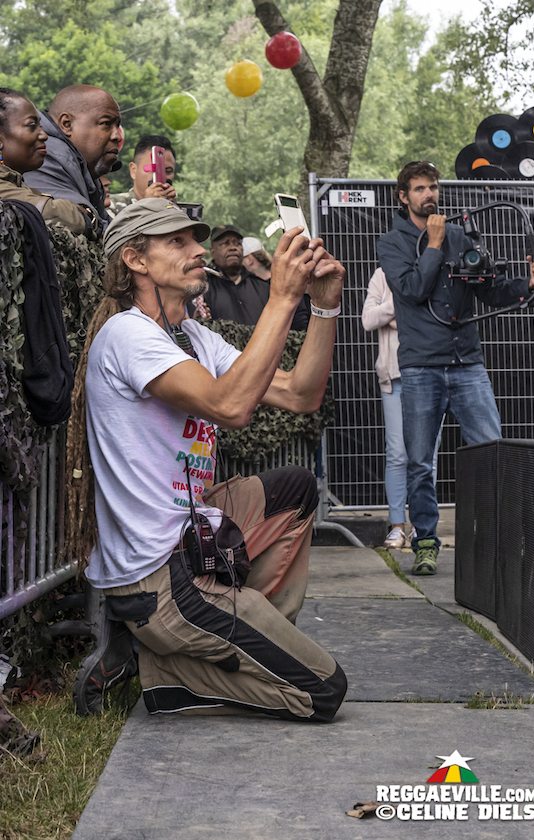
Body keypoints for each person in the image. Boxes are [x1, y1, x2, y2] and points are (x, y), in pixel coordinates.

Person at [70, 197, 347, 721]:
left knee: (294, 488)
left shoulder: (194, 337)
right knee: (322, 691)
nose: (198, 250)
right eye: (177, 242)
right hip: (159, 579)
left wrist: (325, 305)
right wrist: (282, 297)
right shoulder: (129, 335)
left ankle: (249, 639)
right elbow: (231, 406)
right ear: (135, 259)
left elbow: (300, 394)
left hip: (194, 537)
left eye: (195, 240)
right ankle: (167, 672)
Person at [377, 160, 534, 575]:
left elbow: (488, 289)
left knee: (493, 452)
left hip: (467, 362)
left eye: (433, 187)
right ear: (403, 197)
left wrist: (526, 284)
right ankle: (426, 542)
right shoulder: (392, 242)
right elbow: (413, 290)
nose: (429, 195)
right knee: (420, 462)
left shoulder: (459, 234)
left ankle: (500, 542)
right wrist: (434, 245)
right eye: (419, 189)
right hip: (421, 367)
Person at [361, 266, 440, 549]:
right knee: (397, 454)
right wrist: (402, 304)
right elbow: (368, 320)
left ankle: (422, 526)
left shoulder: (434, 271)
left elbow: (436, 321)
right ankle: (397, 525)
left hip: (430, 374)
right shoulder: (383, 275)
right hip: (393, 376)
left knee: (427, 456)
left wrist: (394, 314)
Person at [0, 88, 97, 236]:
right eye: (31, 125)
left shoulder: (16, 184)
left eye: (40, 126)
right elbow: (48, 212)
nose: (44, 135)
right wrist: (84, 216)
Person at [24, 84, 120, 225]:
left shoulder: (81, 164)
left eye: (117, 125)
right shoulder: (45, 155)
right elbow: (81, 225)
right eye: (106, 123)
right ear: (66, 124)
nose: (117, 136)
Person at [198, 224, 309, 329]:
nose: (233, 248)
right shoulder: (203, 289)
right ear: (213, 251)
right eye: (225, 244)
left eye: (237, 243)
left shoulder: (262, 286)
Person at [111, 134, 177, 213]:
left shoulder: (177, 209)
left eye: (168, 171)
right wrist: (148, 206)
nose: (162, 176)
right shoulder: (112, 205)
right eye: (153, 169)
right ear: (133, 170)